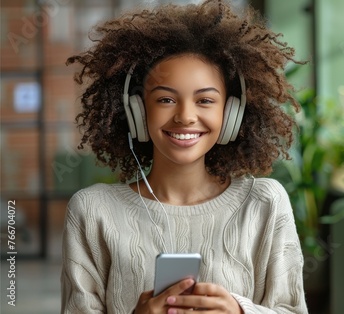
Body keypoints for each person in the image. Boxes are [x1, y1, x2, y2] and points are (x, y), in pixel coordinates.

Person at [61, 0, 308, 313]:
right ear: (137, 111)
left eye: (205, 100)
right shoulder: (93, 211)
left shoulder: (264, 203)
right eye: (165, 98)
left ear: (230, 114)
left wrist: (240, 311)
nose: (185, 116)